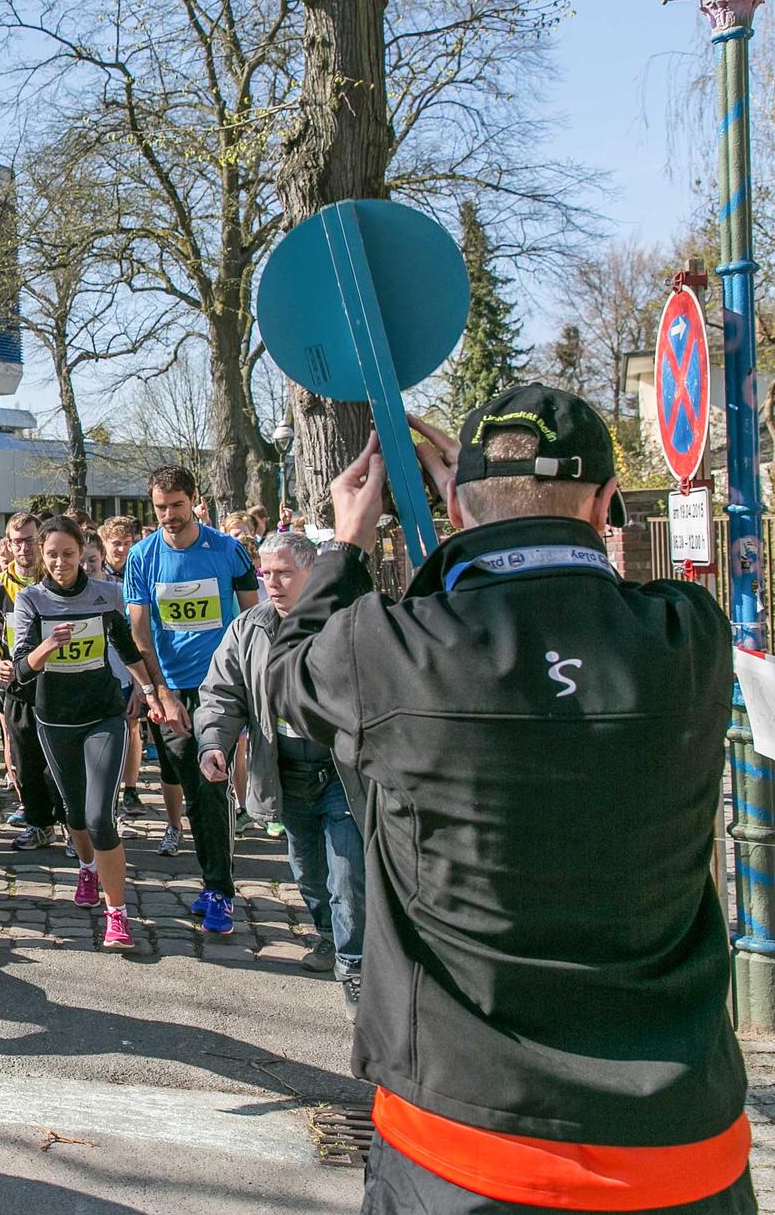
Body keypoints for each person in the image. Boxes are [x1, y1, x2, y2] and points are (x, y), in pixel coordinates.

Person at [269, 387, 753, 1213]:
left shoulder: (396, 649)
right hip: (681, 1148)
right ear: (608, 503)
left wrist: (346, 545)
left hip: (466, 1145)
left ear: (452, 505)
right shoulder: (691, 637)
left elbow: (290, 677)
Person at [195, 532, 362, 1002]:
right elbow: (221, 695)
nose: (272, 583)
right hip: (283, 770)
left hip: (341, 772)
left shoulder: (344, 623)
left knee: (348, 872)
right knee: (307, 869)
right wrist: (215, 744)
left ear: (313, 573)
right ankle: (328, 936)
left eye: (284, 572)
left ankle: (354, 965)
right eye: (266, 573)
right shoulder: (249, 629)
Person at [10, 517, 165, 952]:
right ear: (42, 556)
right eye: (52, 555)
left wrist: (149, 691)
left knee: (100, 817)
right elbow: (20, 670)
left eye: (69, 554)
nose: (60, 563)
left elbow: (127, 648)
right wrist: (46, 648)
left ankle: (117, 915)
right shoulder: (31, 601)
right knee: (74, 815)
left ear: (83, 553)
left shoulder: (106, 594)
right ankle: (86, 867)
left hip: (102, 716)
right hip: (55, 720)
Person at [122, 465, 258, 934]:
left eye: (176, 506)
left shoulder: (227, 550)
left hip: (219, 686)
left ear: (195, 500)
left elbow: (252, 620)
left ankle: (219, 890)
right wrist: (157, 691)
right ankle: (213, 875)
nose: (168, 516)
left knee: (209, 781)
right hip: (169, 687)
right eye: (160, 507)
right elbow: (138, 632)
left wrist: (246, 684)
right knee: (188, 781)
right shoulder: (142, 556)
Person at [0, 513, 67, 853]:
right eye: (17, 541)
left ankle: (73, 826)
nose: (23, 547)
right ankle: (39, 824)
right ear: (7, 545)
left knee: (63, 759)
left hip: (60, 685)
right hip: (18, 687)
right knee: (26, 760)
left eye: (29, 539)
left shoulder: (59, 584)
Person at [98, 517, 147, 818]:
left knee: (132, 726)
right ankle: (108, 791)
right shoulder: (94, 577)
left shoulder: (137, 572)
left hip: (128, 665)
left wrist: (140, 682)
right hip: (100, 665)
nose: (121, 548)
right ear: (104, 543)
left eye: (127, 543)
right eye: (115, 543)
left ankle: (131, 789)